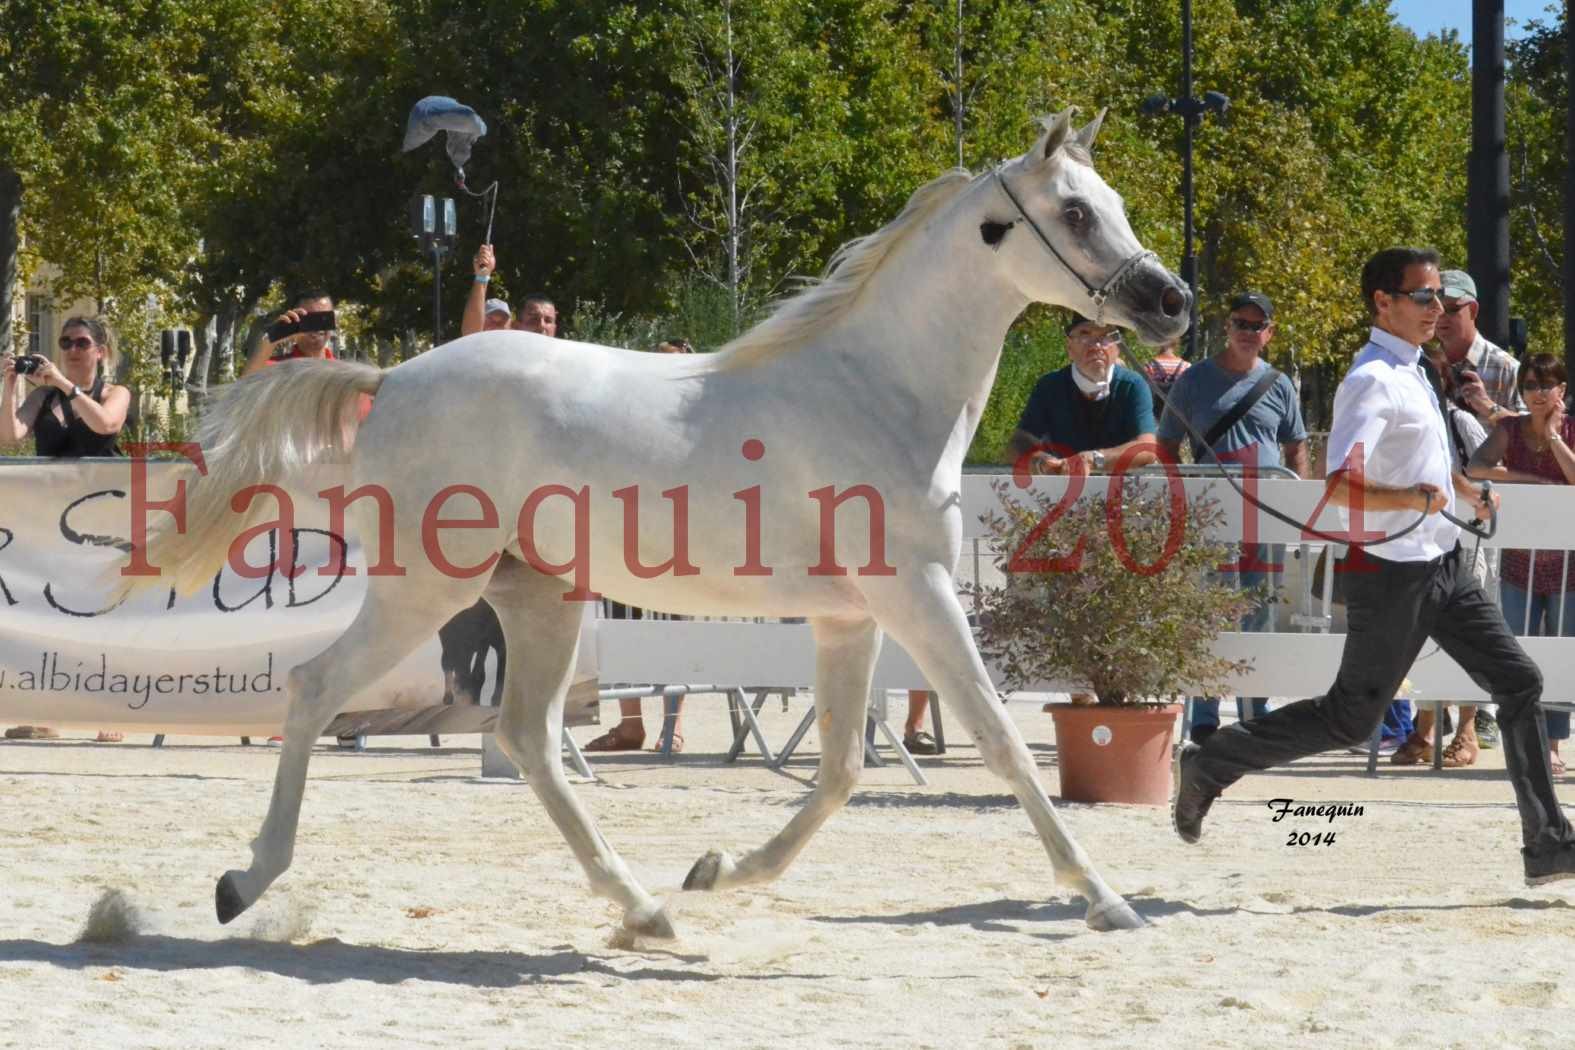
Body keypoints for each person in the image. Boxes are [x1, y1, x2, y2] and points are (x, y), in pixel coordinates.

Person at [1173, 246, 1575, 887]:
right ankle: (1212, 760)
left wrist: (1461, 490)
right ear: (1382, 303)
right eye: (1422, 297)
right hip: (1389, 574)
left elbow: (1424, 465)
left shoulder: (1418, 370)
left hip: (1441, 563)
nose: (1436, 309)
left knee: (1519, 682)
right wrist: (1414, 499)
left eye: (1439, 297)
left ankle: (1548, 844)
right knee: (1348, 719)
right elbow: (1340, 487)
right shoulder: (1370, 381)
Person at [1156, 292, 1307, 744]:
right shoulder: (1194, 380)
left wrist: (1299, 506)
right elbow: (1166, 445)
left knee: (1260, 608)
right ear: (1227, 327)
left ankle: (1253, 710)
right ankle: (1204, 717)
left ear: (1269, 333)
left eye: (1256, 325)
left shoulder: (1280, 384)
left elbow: (1296, 446)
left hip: (1265, 514)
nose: (1247, 332)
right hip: (1211, 516)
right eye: (1240, 322)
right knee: (1210, 610)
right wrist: (1179, 495)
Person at [2, 315, 131, 742]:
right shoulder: (43, 398)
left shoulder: (115, 392)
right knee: (47, 608)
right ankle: (46, 711)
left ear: (100, 351)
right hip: (49, 516)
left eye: (80, 342)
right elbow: (10, 435)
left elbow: (105, 425)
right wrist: (8, 386)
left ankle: (109, 712)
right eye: (65, 342)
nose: (72, 350)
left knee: (101, 609)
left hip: (102, 516)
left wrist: (65, 384)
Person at [1467, 354, 1575, 775]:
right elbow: (1476, 467)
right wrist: (1527, 479)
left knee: (1563, 656)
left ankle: (1552, 743)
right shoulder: (1509, 429)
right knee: (1518, 656)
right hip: (1518, 566)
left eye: (1546, 385)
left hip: (1568, 569)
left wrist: (1552, 438)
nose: (1537, 392)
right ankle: (1524, 741)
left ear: (1561, 391)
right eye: (1530, 385)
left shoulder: (1569, 428)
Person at [1389, 346, 1494, 766]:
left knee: (1465, 634)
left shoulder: (1459, 421)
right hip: (1423, 541)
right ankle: (1425, 729)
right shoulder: (1409, 423)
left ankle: (1466, 729)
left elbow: (1488, 468)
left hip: (1466, 541)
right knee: (1421, 632)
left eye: (1431, 375)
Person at [1436, 268, 1520, 752]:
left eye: (1452, 309)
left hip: (1485, 510)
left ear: (1474, 310)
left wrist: (1488, 408)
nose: (1442, 319)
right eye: (1437, 308)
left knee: (1476, 610)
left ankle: (1470, 723)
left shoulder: (1504, 366)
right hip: (1432, 505)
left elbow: (1528, 443)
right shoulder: (1422, 359)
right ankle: (1427, 727)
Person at [1007, 314, 1157, 476]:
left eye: (1106, 337)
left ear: (1117, 348)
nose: (1096, 346)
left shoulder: (1132, 385)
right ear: (1069, 347)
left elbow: (1146, 448)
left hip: (1122, 490)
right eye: (1085, 335)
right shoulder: (1050, 386)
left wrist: (1093, 459)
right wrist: (1041, 461)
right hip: (1062, 486)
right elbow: (1018, 442)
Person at [243, 290, 338, 376]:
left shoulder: (342, 372)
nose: (317, 327)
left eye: (324, 318)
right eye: (310, 320)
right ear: (295, 320)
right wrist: (271, 338)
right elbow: (244, 387)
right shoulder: (276, 368)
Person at [460, 244, 513, 336]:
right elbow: (471, 334)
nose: (495, 326)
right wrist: (482, 277)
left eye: (502, 322)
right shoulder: (473, 345)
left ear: (510, 326)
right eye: (491, 320)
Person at [1142, 338, 1189, 419]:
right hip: (1178, 418)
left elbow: (1143, 394)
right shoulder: (1186, 366)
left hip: (1155, 417)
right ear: (1176, 344)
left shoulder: (1150, 366)